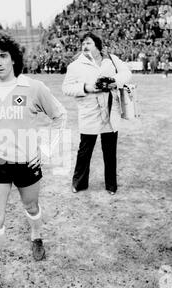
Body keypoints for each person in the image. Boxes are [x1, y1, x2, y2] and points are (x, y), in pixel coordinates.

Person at [0, 31, 67, 288]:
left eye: (3, 56)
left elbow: (60, 115)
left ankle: (36, 235)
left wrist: (45, 149)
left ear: (13, 59)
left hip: (27, 162)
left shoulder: (33, 87)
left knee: (31, 205)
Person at [62, 32, 132, 195]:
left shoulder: (112, 59)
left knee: (110, 150)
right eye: (83, 44)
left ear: (97, 46)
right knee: (85, 150)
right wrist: (86, 87)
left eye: (89, 43)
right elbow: (66, 88)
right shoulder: (75, 65)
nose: (85, 46)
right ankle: (79, 183)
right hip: (89, 110)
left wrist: (113, 80)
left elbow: (127, 73)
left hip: (109, 109)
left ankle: (111, 185)